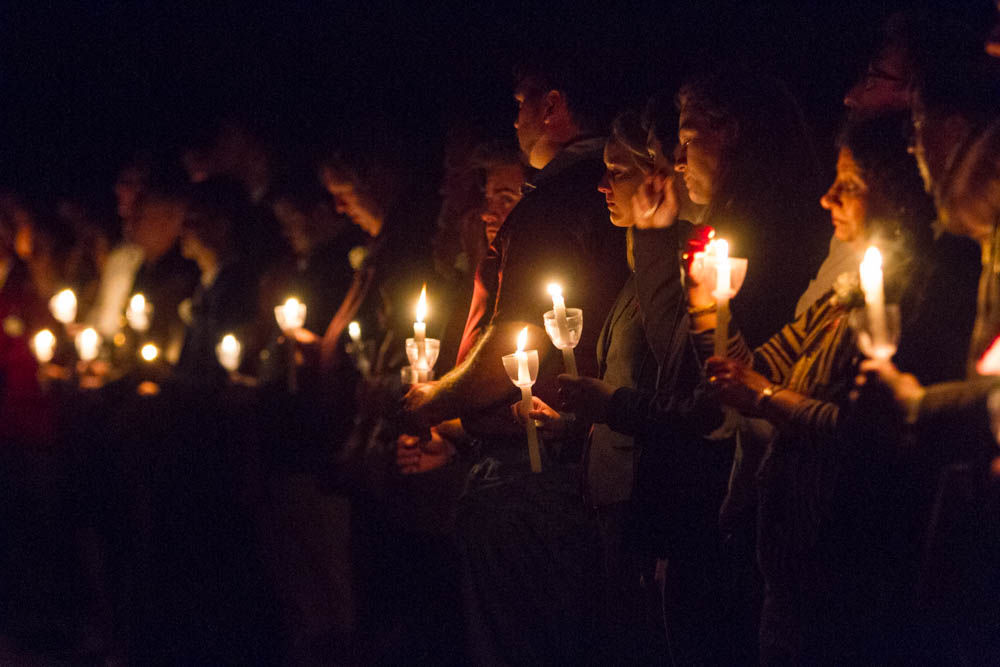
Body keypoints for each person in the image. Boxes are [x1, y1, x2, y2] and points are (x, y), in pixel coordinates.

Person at [697, 113, 948, 663]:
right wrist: (706, 300)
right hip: (792, 561)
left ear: (902, 198)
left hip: (847, 566)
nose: (827, 198)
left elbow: (859, 426)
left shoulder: (910, 302)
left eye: (851, 186)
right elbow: (753, 364)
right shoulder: (843, 295)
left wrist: (765, 398)